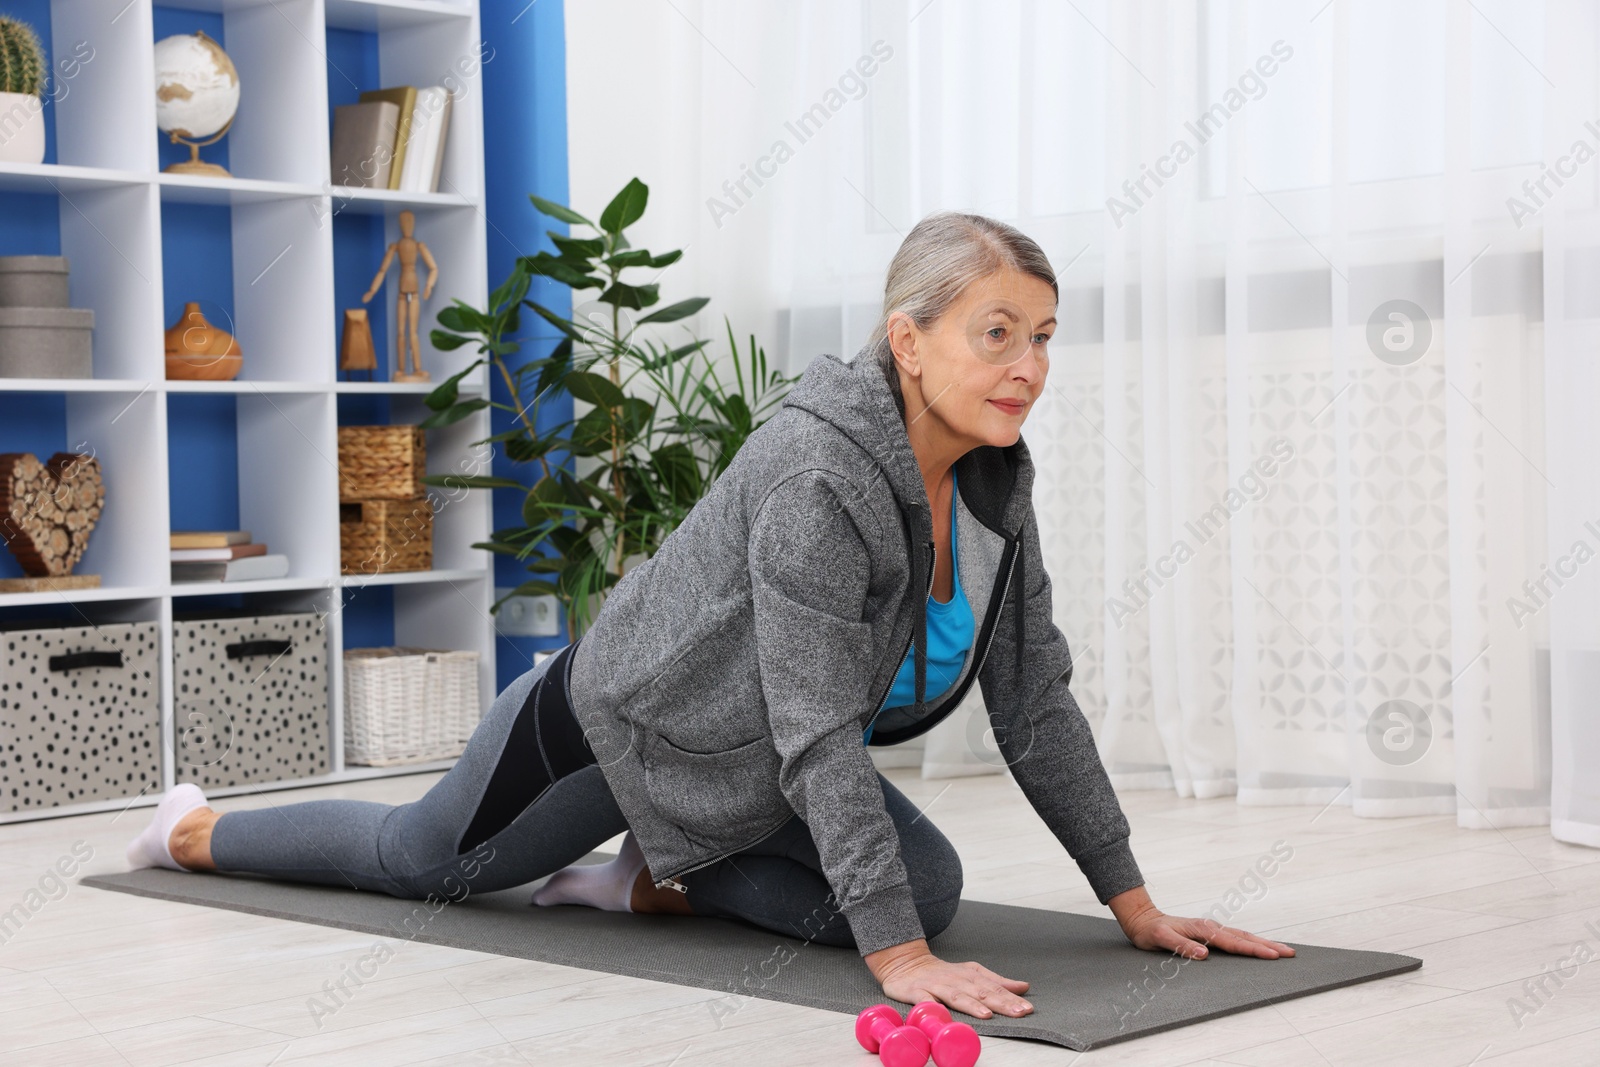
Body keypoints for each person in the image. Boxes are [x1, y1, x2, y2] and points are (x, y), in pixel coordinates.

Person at [127, 210, 1293, 1022]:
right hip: (617, 728)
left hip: (745, 758)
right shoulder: (816, 476)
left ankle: (654, 872)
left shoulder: (994, 482)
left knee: (924, 884)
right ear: (907, 339)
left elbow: (1032, 700)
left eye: (1041, 336)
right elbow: (816, 730)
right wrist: (895, 958)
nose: (1027, 365)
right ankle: (191, 827)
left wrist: (1129, 899)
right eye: (996, 332)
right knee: (424, 860)